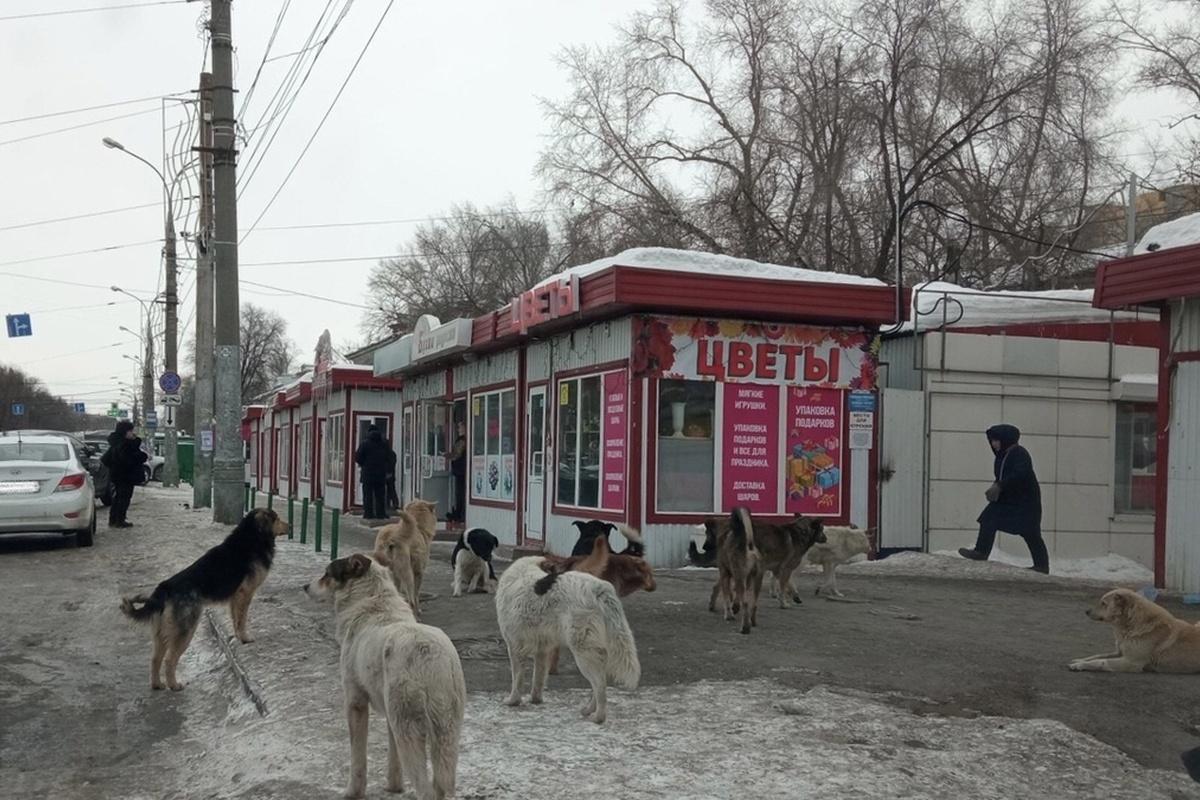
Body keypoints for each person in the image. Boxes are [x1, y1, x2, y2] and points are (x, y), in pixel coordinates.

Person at [959, 424, 1050, 574]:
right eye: (992, 441)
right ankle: (981, 552)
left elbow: (1021, 474)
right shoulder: (1002, 456)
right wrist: (996, 487)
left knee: (1031, 532)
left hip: (1025, 502)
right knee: (988, 518)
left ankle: (1042, 566)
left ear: (1006, 440)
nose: (993, 444)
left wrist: (1000, 485)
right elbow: (1001, 476)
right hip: (1009, 500)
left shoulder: (1019, 453)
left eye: (996, 440)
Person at [101, 419, 147, 529]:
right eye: (131, 431)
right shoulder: (125, 445)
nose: (133, 433)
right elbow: (129, 459)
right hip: (125, 476)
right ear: (125, 432)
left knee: (119, 497)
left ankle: (114, 519)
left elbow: (107, 459)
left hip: (118, 475)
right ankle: (119, 520)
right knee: (124, 497)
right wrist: (141, 454)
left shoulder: (116, 443)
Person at [354, 426, 390, 520]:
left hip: (367, 474)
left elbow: (357, 457)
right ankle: (381, 514)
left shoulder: (365, 443)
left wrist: (364, 465)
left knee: (367, 495)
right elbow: (389, 457)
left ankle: (368, 514)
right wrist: (386, 468)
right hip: (380, 474)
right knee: (380, 496)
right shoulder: (384, 443)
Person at [446, 421, 467, 522]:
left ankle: (459, 514)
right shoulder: (463, 440)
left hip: (461, 471)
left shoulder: (463, 440)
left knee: (460, 493)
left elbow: (457, 454)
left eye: (460, 427)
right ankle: (458, 513)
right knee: (460, 493)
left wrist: (447, 455)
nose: (458, 430)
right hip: (461, 470)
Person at [385, 437, 399, 511]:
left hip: (387, 473)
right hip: (391, 474)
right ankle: (394, 503)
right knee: (391, 489)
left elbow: (390, 464)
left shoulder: (385, 453)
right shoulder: (392, 453)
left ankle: (389, 504)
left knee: (389, 490)